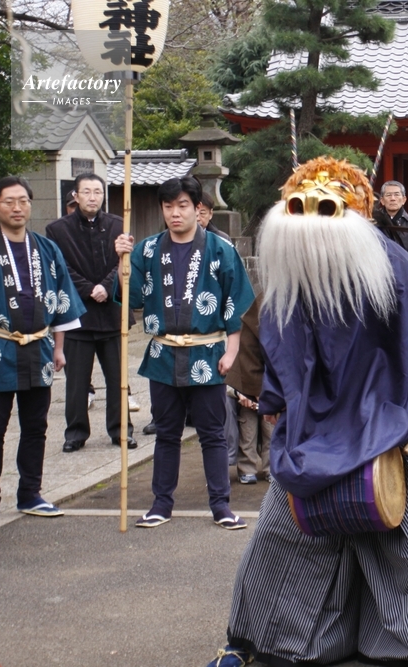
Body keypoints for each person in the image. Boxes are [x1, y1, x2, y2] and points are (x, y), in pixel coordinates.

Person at [205, 157, 408, 667]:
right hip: (312, 431)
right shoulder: (290, 276)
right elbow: (266, 340)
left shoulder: (390, 265)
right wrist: (270, 399)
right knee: (279, 536)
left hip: (386, 426)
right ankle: (246, 641)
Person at [114, 176, 254, 530]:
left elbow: (237, 303)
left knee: (213, 434)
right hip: (163, 355)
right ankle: (161, 503)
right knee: (166, 432)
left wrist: (232, 351)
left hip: (207, 354)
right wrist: (122, 261)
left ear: (197, 208)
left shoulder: (220, 249)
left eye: (182, 206)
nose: (174, 213)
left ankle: (221, 505)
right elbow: (131, 298)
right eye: (168, 206)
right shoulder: (147, 250)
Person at [0, 176, 85, 523]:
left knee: (36, 427)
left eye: (23, 201)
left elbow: (63, 300)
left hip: (38, 349)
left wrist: (59, 349)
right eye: (9, 201)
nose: (17, 208)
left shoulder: (46, 248)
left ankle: (30, 493)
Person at [45, 172, 136, 453]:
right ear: (76, 195)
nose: (92, 197)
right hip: (78, 315)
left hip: (112, 312)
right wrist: (88, 289)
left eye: (97, 192)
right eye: (86, 192)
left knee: (118, 380)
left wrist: (107, 286)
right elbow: (60, 268)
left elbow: (124, 262)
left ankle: (121, 430)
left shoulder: (119, 224)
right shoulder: (57, 230)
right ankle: (75, 433)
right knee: (76, 382)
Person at [223, 296, 269, 485]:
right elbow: (234, 375)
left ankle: (271, 467)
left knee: (271, 433)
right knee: (247, 431)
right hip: (245, 393)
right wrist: (241, 392)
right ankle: (246, 467)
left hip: (269, 391)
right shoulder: (242, 343)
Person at [373, 180, 408, 266]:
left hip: (407, 271)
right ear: (382, 200)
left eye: (397, 194)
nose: (393, 198)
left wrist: (401, 268)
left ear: (404, 200)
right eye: (388, 195)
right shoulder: (373, 223)